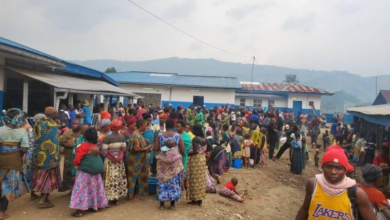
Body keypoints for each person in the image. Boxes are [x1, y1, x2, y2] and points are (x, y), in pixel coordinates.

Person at [295, 146, 376, 220]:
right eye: (328, 167)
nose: (333, 172)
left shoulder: (357, 193)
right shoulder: (313, 184)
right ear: (322, 167)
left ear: (345, 170)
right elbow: (305, 209)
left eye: (338, 168)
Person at [70, 128, 108, 217]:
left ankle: (79, 211)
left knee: (81, 190)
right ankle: (94, 206)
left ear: (84, 136)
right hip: (96, 173)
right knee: (93, 189)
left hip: (84, 173)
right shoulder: (95, 146)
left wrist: (76, 165)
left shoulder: (81, 146)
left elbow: (77, 158)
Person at [0, 109, 29, 219]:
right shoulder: (22, 132)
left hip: (1, 160)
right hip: (14, 161)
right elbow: (24, 149)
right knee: (7, 185)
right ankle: (2, 212)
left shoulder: (0, 130)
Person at [33, 107, 62, 208]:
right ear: (52, 114)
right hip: (50, 157)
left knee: (42, 176)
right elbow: (55, 140)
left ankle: (43, 196)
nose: (57, 114)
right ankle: (43, 199)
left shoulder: (38, 123)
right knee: (49, 177)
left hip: (39, 155)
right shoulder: (52, 124)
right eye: (56, 113)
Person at [153, 119, 184, 210]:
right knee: (173, 182)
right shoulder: (178, 136)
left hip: (163, 163)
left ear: (166, 125)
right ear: (174, 126)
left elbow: (155, 148)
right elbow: (182, 150)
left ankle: (162, 205)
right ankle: (172, 205)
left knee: (162, 181)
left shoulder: (160, 136)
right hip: (175, 164)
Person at [101, 118, 127, 205]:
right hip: (119, 162)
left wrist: (111, 156)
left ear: (111, 128)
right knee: (117, 179)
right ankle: (116, 199)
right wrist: (118, 156)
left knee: (108, 179)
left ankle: (107, 198)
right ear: (119, 128)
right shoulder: (122, 137)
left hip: (109, 162)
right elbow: (124, 149)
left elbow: (104, 152)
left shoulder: (107, 138)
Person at [127, 119, 152, 200]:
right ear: (140, 126)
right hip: (135, 160)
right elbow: (136, 148)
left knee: (137, 177)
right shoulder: (136, 135)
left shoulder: (138, 134)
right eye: (145, 126)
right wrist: (146, 148)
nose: (146, 127)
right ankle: (132, 195)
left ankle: (137, 193)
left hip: (139, 160)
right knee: (133, 177)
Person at [186, 124, 209, 207]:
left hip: (195, 160)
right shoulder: (204, 139)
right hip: (202, 159)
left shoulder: (195, 139)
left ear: (195, 130)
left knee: (194, 179)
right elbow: (210, 148)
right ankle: (200, 200)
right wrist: (203, 151)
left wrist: (187, 153)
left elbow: (195, 151)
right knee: (200, 180)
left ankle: (194, 200)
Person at [58, 118, 80, 192]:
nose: (74, 125)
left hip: (79, 157)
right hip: (69, 155)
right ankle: (67, 186)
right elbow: (61, 141)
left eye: (76, 124)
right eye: (73, 124)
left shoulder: (82, 132)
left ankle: (74, 189)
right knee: (67, 172)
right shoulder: (67, 132)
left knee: (76, 173)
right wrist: (68, 146)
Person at [21, 113, 38, 200]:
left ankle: (31, 192)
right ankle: (32, 192)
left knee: (28, 173)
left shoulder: (21, 128)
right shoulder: (29, 128)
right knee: (31, 173)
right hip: (30, 153)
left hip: (26, 153)